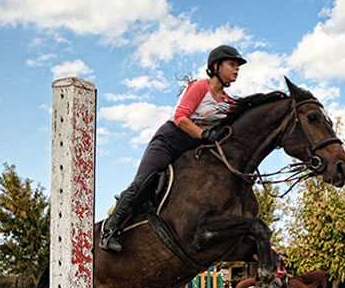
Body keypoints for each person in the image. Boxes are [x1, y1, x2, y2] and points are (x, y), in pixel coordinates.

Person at [99, 45, 248, 252]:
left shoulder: (229, 104)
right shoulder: (200, 88)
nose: (236, 69)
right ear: (215, 66)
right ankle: (110, 231)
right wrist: (204, 134)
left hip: (190, 152)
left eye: (238, 66)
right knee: (143, 182)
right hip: (169, 142)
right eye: (232, 64)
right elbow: (180, 118)